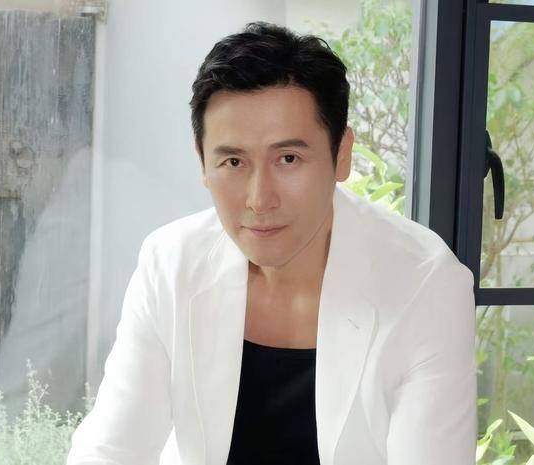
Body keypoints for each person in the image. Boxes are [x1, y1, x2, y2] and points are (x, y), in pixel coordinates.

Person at [66, 21, 477, 465]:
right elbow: (110, 449)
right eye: (233, 161)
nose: (259, 200)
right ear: (202, 163)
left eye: (288, 158)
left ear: (341, 154)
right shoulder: (171, 263)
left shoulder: (425, 284)